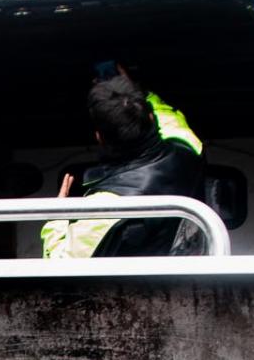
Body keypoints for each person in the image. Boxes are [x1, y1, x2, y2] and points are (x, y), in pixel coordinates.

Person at [42, 64, 204, 259]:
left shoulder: (108, 207)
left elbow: (59, 264)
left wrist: (57, 216)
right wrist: (132, 93)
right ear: (151, 117)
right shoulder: (189, 148)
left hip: (135, 289)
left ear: (99, 137)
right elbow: (168, 117)